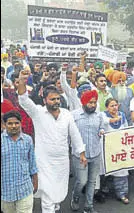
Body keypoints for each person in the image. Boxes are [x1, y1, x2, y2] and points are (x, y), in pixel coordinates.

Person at [18, 71, 87, 213]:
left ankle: (55, 207)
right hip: (43, 161)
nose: (56, 102)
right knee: (48, 195)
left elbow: (74, 134)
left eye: (57, 99)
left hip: (62, 160)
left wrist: (81, 152)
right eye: (52, 99)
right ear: (44, 100)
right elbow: (24, 100)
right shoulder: (37, 113)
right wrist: (22, 81)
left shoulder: (66, 114)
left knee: (59, 192)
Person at [71, 90, 105, 213]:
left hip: (95, 153)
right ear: (84, 103)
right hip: (80, 155)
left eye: (94, 102)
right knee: (82, 181)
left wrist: (101, 130)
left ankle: (88, 207)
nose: (93, 105)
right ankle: (75, 197)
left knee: (92, 181)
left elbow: (102, 127)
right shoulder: (74, 115)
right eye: (90, 103)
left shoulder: (99, 115)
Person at [1, 110, 38, 213]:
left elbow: (32, 163)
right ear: (4, 124)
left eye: (16, 123)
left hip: (24, 188)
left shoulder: (27, 140)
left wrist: (35, 182)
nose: (14, 126)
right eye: (10, 123)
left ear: (21, 123)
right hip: (5, 191)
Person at [101, 98, 129, 204]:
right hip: (106, 149)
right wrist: (112, 120)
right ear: (107, 107)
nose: (114, 108)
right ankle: (102, 189)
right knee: (104, 171)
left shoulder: (122, 115)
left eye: (116, 105)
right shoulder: (103, 115)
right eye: (111, 106)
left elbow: (126, 129)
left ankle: (121, 194)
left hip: (120, 149)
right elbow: (102, 124)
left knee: (121, 171)